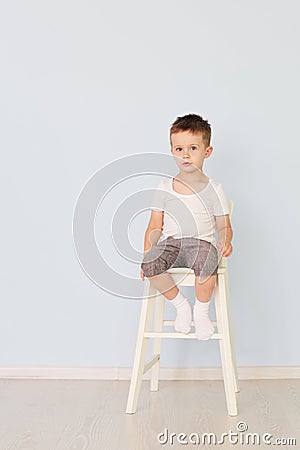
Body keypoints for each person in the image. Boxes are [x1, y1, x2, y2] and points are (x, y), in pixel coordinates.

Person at [140, 113, 233, 340]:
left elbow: (224, 225)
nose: (186, 155)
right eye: (179, 149)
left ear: (206, 152)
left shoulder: (214, 188)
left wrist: (226, 239)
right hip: (171, 245)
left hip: (200, 244)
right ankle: (181, 306)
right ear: (172, 151)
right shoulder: (164, 187)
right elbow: (154, 226)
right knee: (150, 262)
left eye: (193, 148)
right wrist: (147, 255)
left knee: (208, 260)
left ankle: (200, 312)